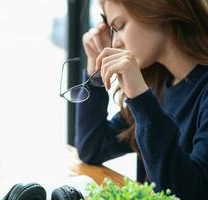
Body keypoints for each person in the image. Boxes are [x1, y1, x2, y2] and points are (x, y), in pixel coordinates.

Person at [75, 0, 208, 199]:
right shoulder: (158, 86)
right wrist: (95, 73)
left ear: (159, 8)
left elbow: (190, 193)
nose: (116, 42)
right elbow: (92, 148)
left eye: (120, 26)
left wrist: (139, 96)